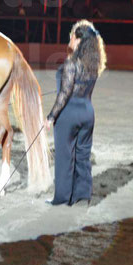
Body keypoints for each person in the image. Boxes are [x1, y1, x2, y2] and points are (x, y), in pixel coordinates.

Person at [44, 20, 107, 206]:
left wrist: (50, 117)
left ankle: (62, 198)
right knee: (83, 156)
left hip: (69, 114)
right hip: (87, 112)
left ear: (78, 40)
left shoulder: (72, 63)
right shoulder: (93, 65)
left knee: (64, 157)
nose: (69, 39)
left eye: (72, 36)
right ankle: (82, 195)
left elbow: (64, 95)